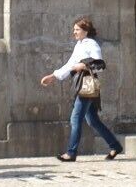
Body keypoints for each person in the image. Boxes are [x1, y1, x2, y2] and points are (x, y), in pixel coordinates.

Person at [42, 17, 124, 162]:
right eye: (74, 30)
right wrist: (53, 76)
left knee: (76, 118)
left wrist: (83, 66)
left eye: (77, 30)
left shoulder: (91, 44)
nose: (74, 32)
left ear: (86, 31)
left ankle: (71, 153)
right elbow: (70, 64)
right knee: (93, 120)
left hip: (87, 84)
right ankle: (115, 146)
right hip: (81, 84)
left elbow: (100, 64)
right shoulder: (80, 45)